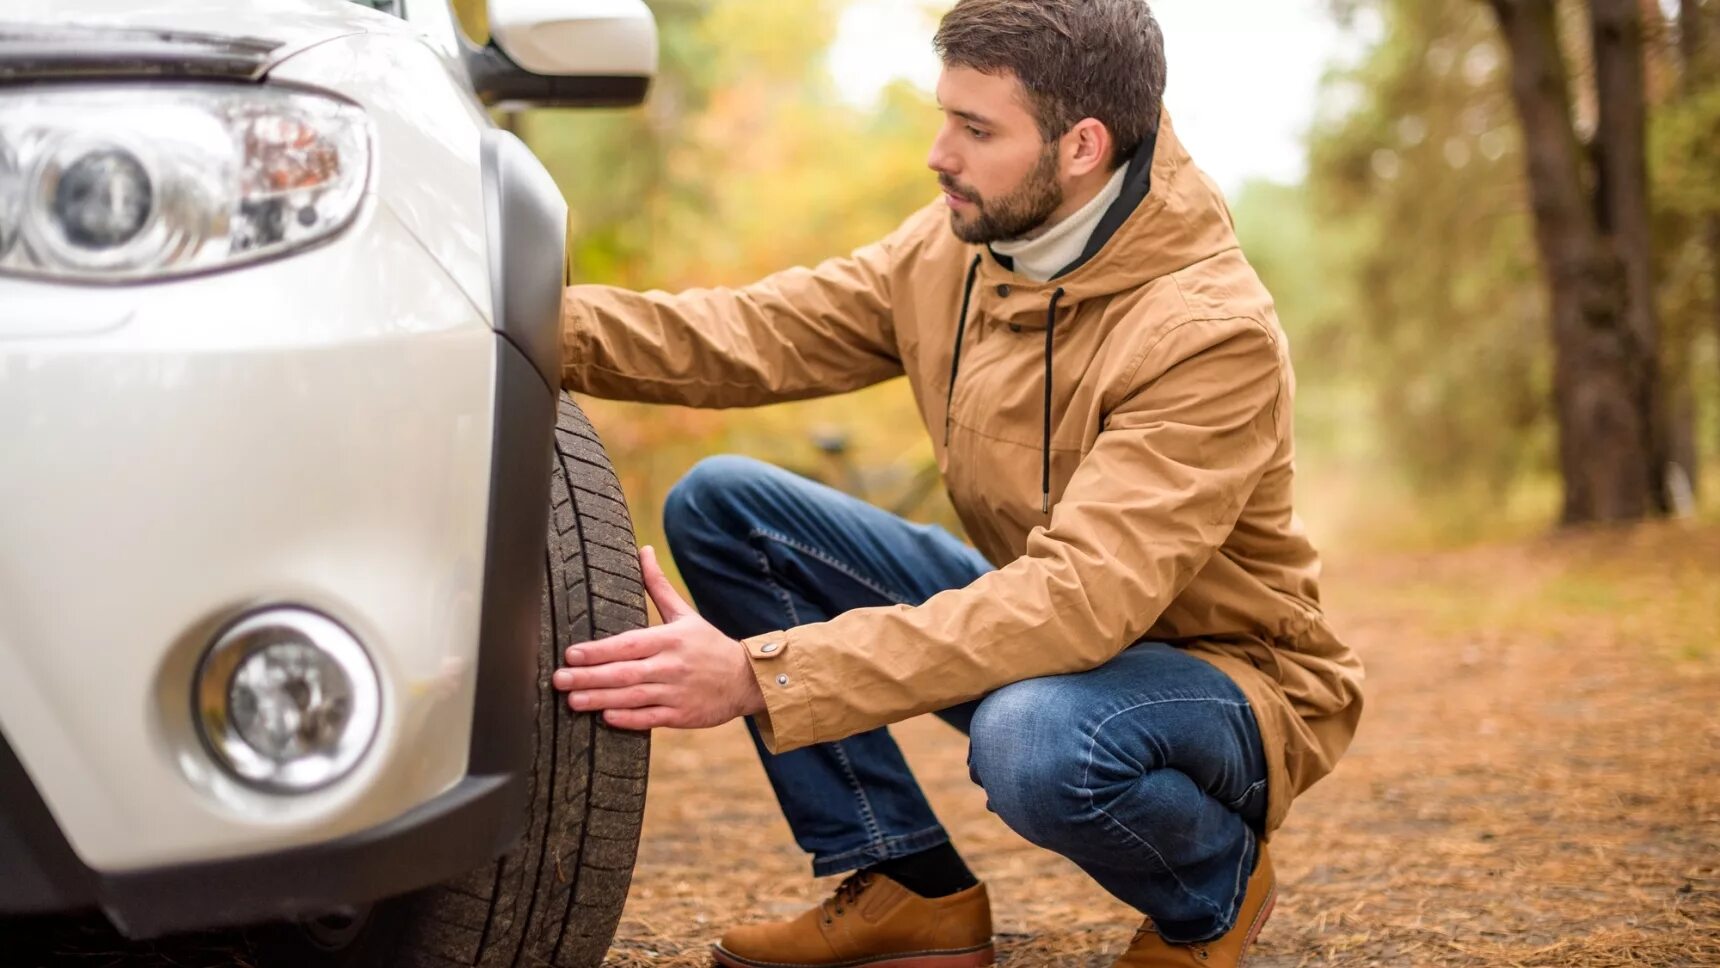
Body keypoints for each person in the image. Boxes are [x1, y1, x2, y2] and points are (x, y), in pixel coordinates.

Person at [552, 1, 1365, 965]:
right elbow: (747, 334)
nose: (940, 153)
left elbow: (1078, 602)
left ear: (1082, 147)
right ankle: (908, 883)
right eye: (947, 116)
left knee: (1034, 740)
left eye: (977, 130)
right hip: (1046, 628)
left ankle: (1212, 889)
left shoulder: (1206, 331)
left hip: (1224, 683)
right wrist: (517, 323)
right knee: (726, 506)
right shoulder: (959, 247)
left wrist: (757, 674)